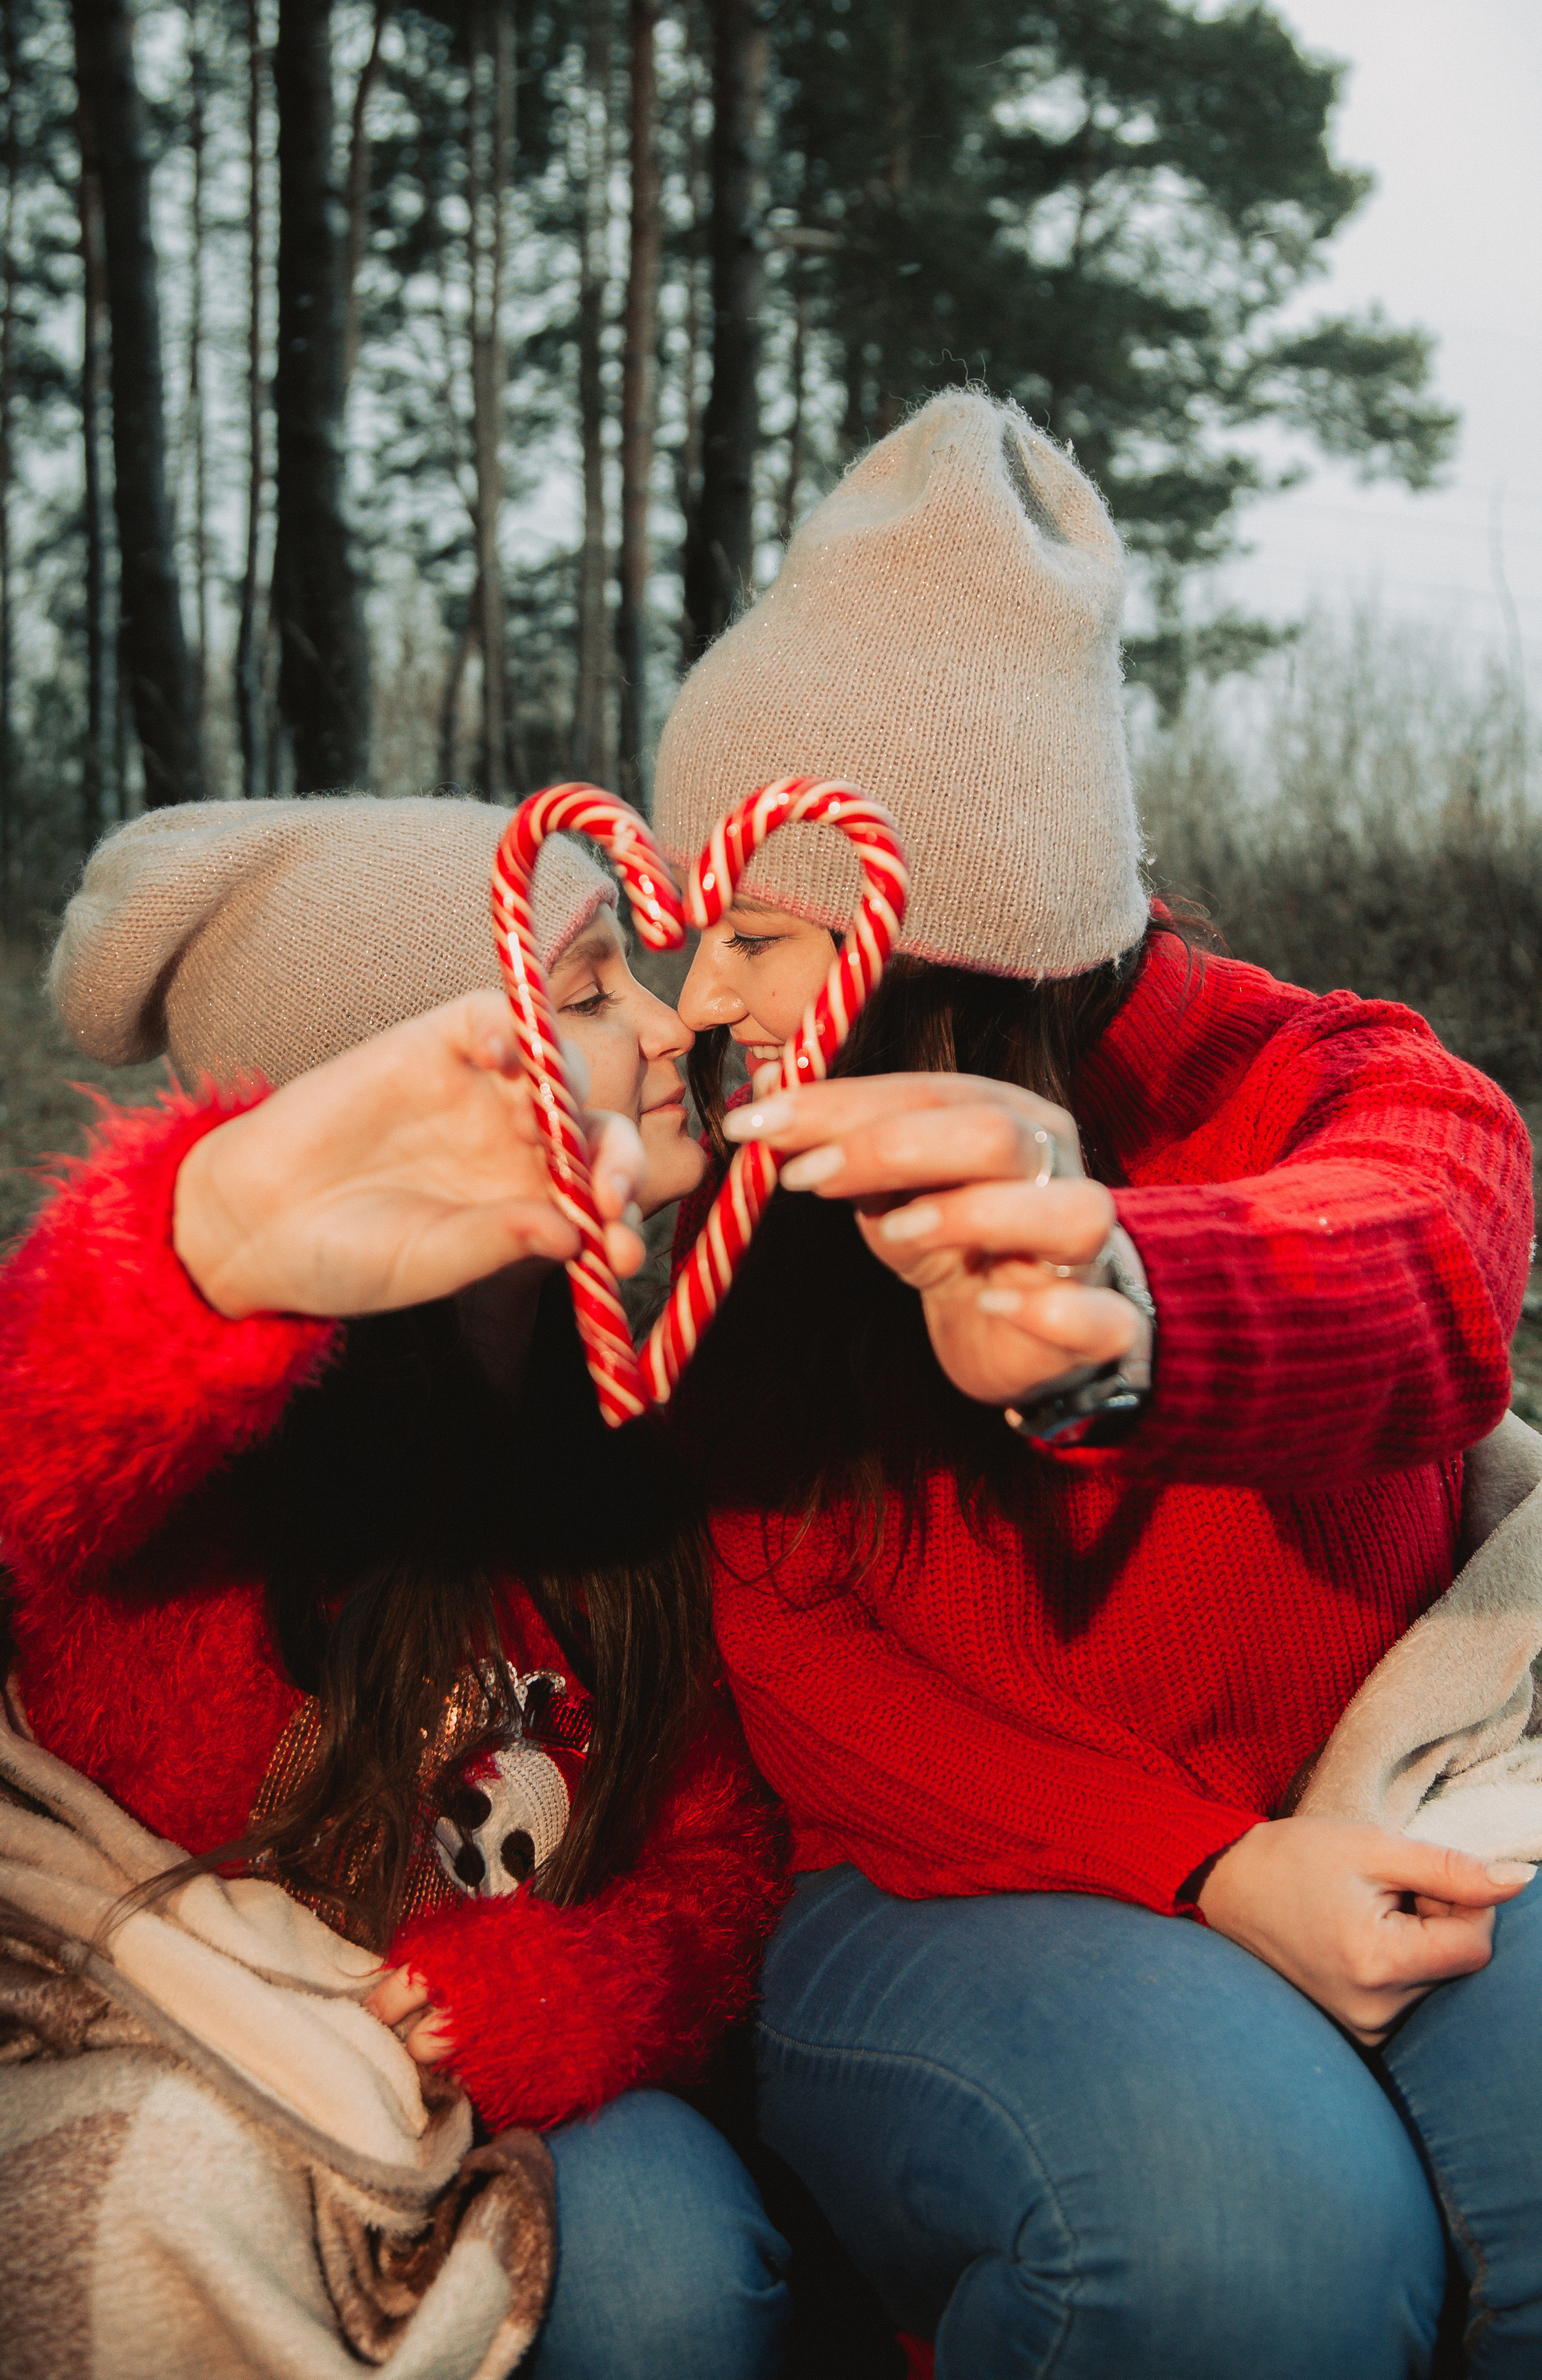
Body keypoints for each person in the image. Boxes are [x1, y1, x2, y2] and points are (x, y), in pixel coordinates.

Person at [648, 390, 1541, 2378]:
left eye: (759, 931)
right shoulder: (734, 1197)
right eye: (694, 922)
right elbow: (809, 1686)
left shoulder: (1344, 1084)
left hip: (1390, 1792)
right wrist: (1213, 1874)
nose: (702, 991)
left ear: (945, 938)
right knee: (1243, 2237)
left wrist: (1132, 1314)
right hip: (948, 1877)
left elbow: (1426, 1286)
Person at [0, 796, 792, 2380]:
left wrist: (509, 2008)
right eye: (590, 989)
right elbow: (25, 1434)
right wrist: (210, 1244)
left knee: (680, 2267)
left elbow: (718, 1864)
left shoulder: (645, 1447)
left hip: (554, 2111)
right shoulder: (194, 1487)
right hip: (205, 2090)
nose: (671, 1027)